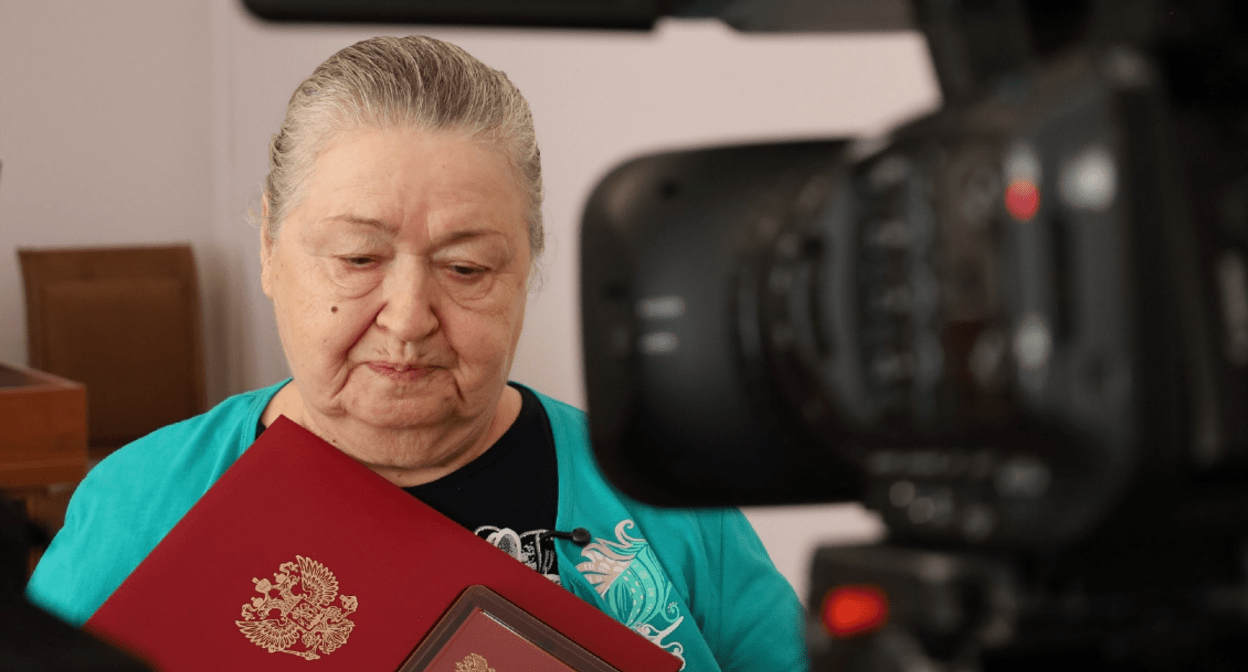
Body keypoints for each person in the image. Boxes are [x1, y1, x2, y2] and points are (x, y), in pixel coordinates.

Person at [26, 35, 807, 671]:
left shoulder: (664, 493)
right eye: (359, 258)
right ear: (269, 245)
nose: (407, 320)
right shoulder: (142, 503)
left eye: (465, 268)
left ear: (528, 265)